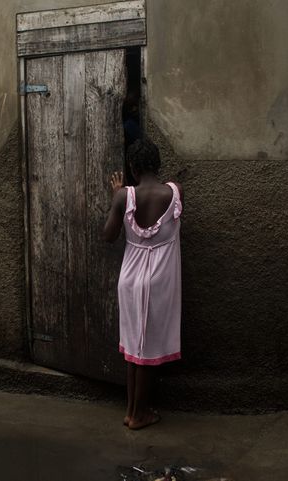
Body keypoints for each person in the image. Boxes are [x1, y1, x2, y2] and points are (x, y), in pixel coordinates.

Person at [103, 138, 183, 430]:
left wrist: (116, 196)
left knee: (134, 350)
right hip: (159, 281)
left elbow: (109, 235)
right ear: (157, 164)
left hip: (130, 279)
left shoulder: (124, 197)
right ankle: (140, 414)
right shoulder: (174, 192)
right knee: (147, 352)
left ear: (133, 168)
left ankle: (131, 411)